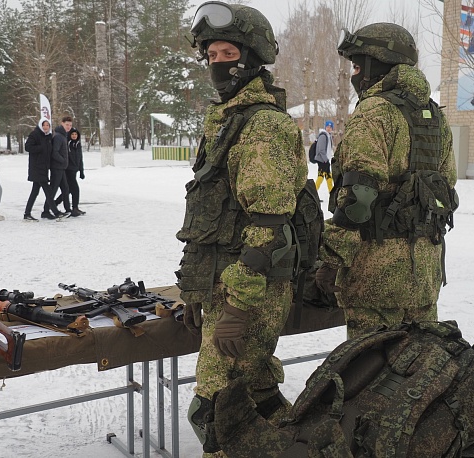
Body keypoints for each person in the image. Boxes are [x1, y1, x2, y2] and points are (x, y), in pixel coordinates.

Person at [175, 2, 308, 456]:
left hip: (251, 292)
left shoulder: (262, 125)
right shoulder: (228, 120)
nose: (217, 63)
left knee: (214, 411)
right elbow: (210, 213)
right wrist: (198, 286)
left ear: (252, 58)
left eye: (227, 53)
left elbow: (267, 225)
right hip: (228, 287)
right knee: (255, 392)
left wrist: (235, 309)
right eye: (210, 55)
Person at [315, 23, 458, 337]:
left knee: (371, 373)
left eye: (356, 66)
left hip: (375, 277)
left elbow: (358, 199)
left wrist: (330, 259)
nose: (354, 76)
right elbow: (448, 185)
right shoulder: (436, 116)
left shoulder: (373, 113)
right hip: (425, 273)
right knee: (417, 372)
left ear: (373, 65)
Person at [23, 118, 54, 221]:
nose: (46, 127)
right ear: (40, 125)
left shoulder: (48, 137)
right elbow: (27, 147)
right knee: (48, 191)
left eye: (47, 126)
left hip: (44, 168)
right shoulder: (35, 134)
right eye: (44, 125)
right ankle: (55, 212)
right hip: (37, 167)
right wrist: (40, 148)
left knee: (35, 191)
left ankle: (27, 213)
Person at [54, 127, 86, 217]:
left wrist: (81, 171)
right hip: (68, 169)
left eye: (75, 134)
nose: (74, 136)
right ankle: (74, 207)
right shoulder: (67, 143)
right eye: (72, 134)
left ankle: (55, 203)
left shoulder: (78, 144)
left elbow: (80, 158)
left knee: (68, 190)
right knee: (74, 189)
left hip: (74, 170)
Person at [48, 116, 73, 219]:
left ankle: (68, 209)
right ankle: (46, 209)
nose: (69, 127)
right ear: (62, 123)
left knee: (66, 188)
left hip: (61, 167)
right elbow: (55, 152)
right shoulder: (58, 136)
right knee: (53, 189)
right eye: (67, 124)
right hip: (57, 167)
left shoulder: (63, 135)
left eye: (70, 125)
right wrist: (63, 160)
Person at [313, 120, 334, 192]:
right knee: (321, 176)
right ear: (325, 127)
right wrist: (325, 160)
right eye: (327, 127)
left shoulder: (329, 136)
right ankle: (313, 193)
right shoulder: (323, 136)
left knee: (329, 176)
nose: (329, 128)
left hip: (325, 159)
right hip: (322, 160)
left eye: (330, 127)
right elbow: (321, 150)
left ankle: (331, 192)